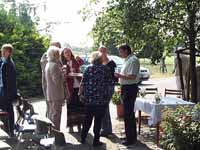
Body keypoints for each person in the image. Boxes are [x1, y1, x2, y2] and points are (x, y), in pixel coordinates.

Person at [80, 51, 112, 147]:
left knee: (87, 120)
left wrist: (80, 94)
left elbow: (83, 82)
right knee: (98, 121)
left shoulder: (88, 69)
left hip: (89, 99)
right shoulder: (106, 69)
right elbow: (110, 84)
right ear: (101, 59)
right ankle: (96, 141)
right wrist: (108, 97)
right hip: (101, 100)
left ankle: (83, 137)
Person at [114, 44, 140, 146]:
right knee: (128, 114)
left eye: (120, 51)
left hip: (130, 88)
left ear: (125, 50)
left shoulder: (133, 60)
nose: (119, 53)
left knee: (128, 114)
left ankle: (130, 139)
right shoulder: (128, 60)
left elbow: (132, 76)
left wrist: (119, 75)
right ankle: (130, 136)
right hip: (126, 88)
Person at [61, 47, 85, 133]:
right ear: (63, 54)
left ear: (71, 53)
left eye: (69, 52)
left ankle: (79, 125)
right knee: (71, 107)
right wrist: (67, 75)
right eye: (66, 52)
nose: (67, 54)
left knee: (80, 106)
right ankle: (71, 126)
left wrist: (79, 58)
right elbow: (62, 76)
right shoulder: (62, 63)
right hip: (69, 87)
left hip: (78, 85)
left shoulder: (75, 61)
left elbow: (82, 62)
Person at [45, 46, 66, 130]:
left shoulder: (48, 64)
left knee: (51, 114)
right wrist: (62, 74)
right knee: (56, 115)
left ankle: (51, 132)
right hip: (56, 94)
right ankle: (56, 134)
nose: (59, 55)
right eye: (58, 54)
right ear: (54, 55)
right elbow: (57, 81)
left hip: (50, 93)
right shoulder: (54, 66)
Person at [98, 46, 117, 137]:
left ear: (106, 52)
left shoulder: (111, 63)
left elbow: (113, 78)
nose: (102, 53)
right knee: (104, 108)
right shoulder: (99, 62)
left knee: (104, 108)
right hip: (101, 88)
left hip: (108, 87)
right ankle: (106, 129)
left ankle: (106, 130)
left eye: (104, 51)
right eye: (100, 51)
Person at [40, 41, 61, 118]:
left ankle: (50, 127)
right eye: (56, 47)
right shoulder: (47, 56)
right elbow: (52, 74)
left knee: (53, 109)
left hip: (51, 85)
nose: (58, 49)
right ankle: (49, 126)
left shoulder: (56, 58)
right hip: (49, 85)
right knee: (51, 108)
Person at [0, 44, 17, 136]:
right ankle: (8, 129)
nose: (2, 53)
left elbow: (9, 81)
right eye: (2, 51)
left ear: (9, 52)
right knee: (6, 111)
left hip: (6, 92)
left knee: (8, 111)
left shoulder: (8, 64)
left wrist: (7, 94)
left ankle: (9, 130)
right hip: (5, 91)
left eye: (4, 51)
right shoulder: (5, 62)